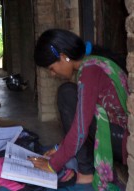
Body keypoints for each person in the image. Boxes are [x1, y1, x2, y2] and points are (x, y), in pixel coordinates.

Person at [31, 29, 129, 190]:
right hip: (118, 133)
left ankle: (86, 172)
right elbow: (83, 117)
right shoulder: (92, 62)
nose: (52, 74)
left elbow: (80, 128)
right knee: (70, 93)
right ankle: (84, 165)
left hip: (123, 141)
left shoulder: (89, 71)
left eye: (51, 67)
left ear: (63, 57)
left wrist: (52, 165)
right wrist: (59, 149)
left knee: (66, 94)